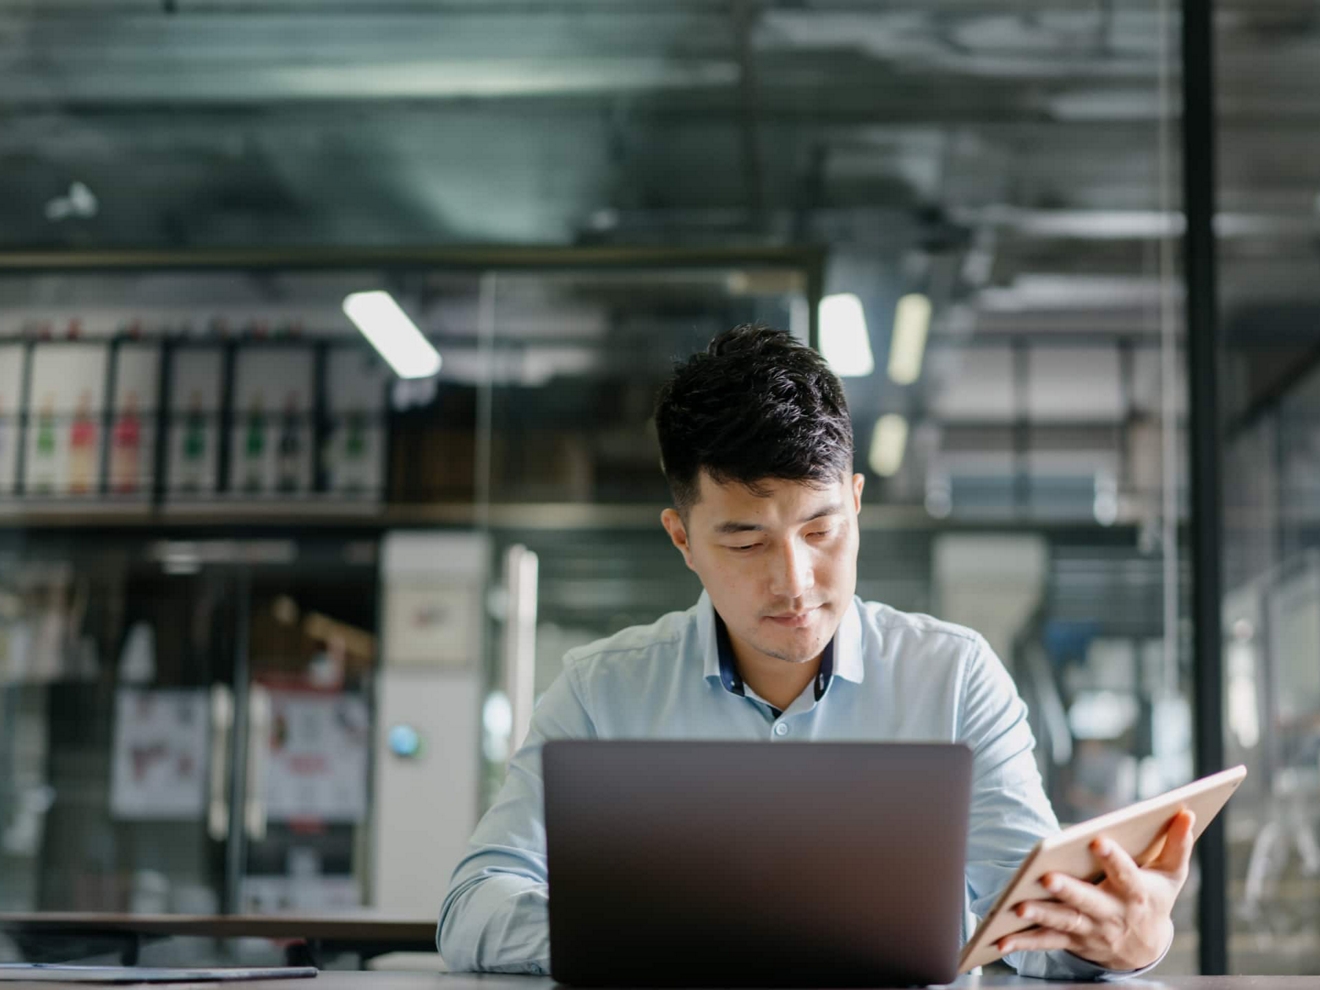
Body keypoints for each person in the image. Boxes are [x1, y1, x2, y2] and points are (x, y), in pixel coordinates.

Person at [437, 324, 1195, 979]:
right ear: (682, 539)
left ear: (857, 503)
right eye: (745, 539)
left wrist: (1131, 938)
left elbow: (1033, 925)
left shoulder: (954, 678)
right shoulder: (602, 693)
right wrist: (653, 940)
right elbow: (474, 905)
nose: (795, 582)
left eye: (822, 530)